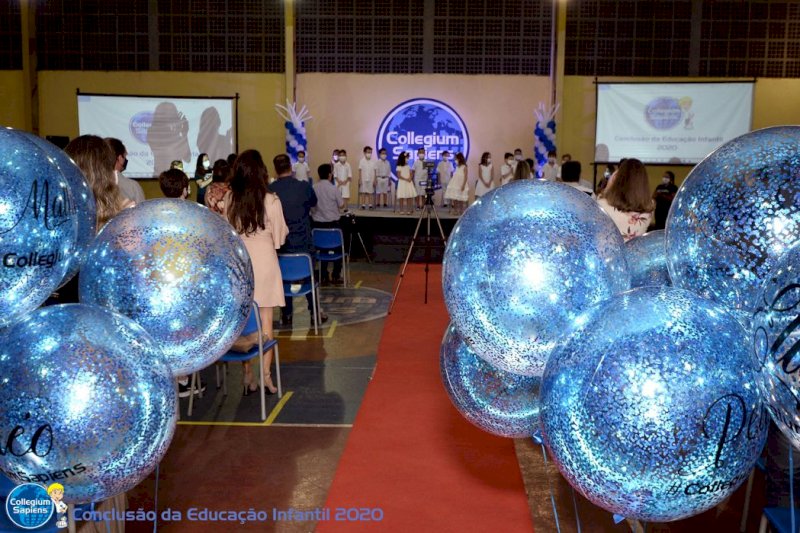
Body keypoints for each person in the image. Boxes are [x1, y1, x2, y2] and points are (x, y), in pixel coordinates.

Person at [223, 150, 288, 395]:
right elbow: (280, 238)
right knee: (266, 322)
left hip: (240, 264)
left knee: (243, 323)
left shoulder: (230, 198)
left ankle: (248, 373)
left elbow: (227, 234)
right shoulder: (271, 200)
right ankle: (266, 377)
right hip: (265, 260)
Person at [269, 153, 327, 327]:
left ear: (275, 170)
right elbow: (313, 203)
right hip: (303, 243)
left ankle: (286, 314)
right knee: (310, 277)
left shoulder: (270, 190)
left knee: (284, 279)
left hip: (281, 245)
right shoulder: (303, 187)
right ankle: (314, 311)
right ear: (291, 168)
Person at [596, 158, 655, 241]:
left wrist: (608, 186)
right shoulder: (649, 207)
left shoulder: (602, 205)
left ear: (618, 179)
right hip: (634, 253)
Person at [312, 164, 345, 285]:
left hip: (317, 227)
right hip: (333, 226)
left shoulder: (313, 188)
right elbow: (341, 205)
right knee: (337, 249)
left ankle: (323, 275)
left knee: (321, 249)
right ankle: (336, 275)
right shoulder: (334, 189)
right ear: (330, 175)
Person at [105, 137, 145, 204]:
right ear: (120, 158)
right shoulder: (133, 187)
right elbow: (142, 212)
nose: (125, 160)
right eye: (125, 156)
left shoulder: (92, 183)